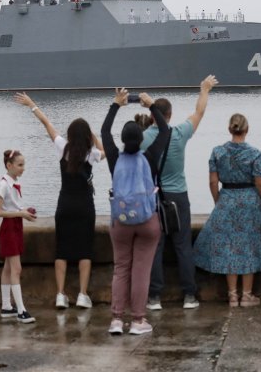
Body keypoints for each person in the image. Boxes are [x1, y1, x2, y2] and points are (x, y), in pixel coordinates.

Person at [14, 93, 104, 309]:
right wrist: (92, 134)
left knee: (61, 250)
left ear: (71, 135)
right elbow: (104, 151)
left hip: (64, 204)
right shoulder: (90, 154)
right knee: (85, 250)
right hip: (84, 205)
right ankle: (82, 295)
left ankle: (60, 294)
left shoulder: (63, 148)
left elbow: (47, 124)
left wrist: (33, 105)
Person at [142, 74, 218, 311]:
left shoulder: (144, 138)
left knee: (156, 245)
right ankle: (189, 295)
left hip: (154, 196)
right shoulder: (180, 133)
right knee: (183, 245)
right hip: (178, 196)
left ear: (151, 116)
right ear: (170, 116)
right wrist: (204, 89)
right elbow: (199, 112)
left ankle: (154, 296)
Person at [101, 89, 170, 335]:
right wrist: (151, 105)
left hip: (120, 221)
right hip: (147, 221)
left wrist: (116, 105)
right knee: (141, 270)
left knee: (121, 268)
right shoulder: (150, 157)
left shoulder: (113, 158)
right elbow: (165, 131)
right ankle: (138, 320)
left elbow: (104, 132)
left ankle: (117, 319)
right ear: (141, 140)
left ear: (122, 140)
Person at [193, 113, 261, 308]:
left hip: (227, 199)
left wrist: (218, 201)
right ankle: (246, 296)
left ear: (230, 129)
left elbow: (213, 181)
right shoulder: (254, 153)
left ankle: (232, 297)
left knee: (230, 248)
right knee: (249, 247)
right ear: (247, 130)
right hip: (249, 201)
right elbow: (260, 182)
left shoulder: (217, 152)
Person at [0, 149, 37, 322]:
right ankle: (21, 310)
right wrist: (21, 214)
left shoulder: (11, 183)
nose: (23, 168)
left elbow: (11, 208)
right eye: (20, 165)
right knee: (16, 269)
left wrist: (23, 212)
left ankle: (6, 306)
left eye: (23, 164)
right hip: (10, 228)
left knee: (8, 268)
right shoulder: (4, 184)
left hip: (15, 226)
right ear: (9, 165)